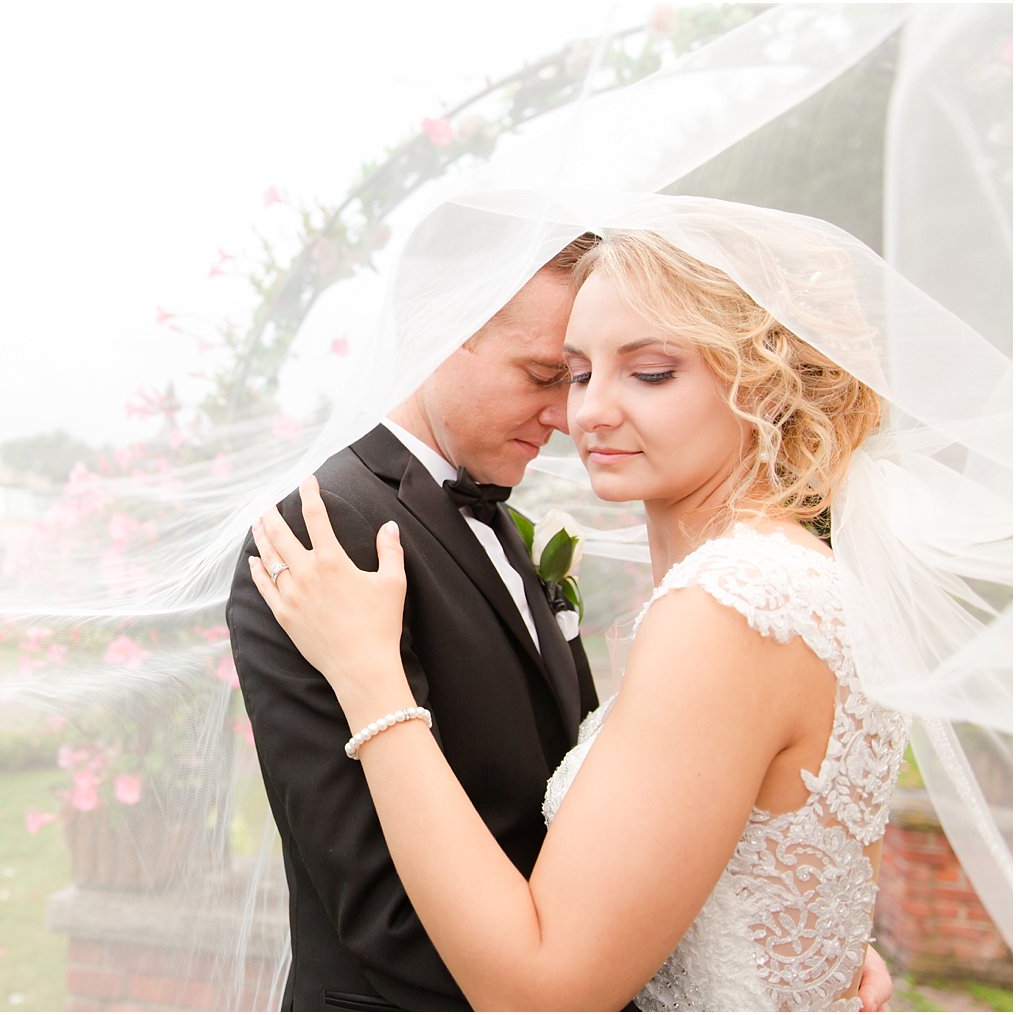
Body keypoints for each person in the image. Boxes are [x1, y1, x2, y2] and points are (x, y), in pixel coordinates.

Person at [242, 200, 992, 1010]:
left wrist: (370, 678)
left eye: (651, 371)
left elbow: (543, 988)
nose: (584, 412)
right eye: (573, 371)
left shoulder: (736, 604)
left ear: (766, 385)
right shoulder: (800, 581)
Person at [226, 234, 604, 1011]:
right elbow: (380, 910)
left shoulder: (497, 516)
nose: (566, 416)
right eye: (542, 376)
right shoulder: (326, 528)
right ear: (439, 328)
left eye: (573, 381)